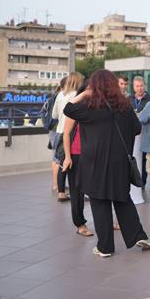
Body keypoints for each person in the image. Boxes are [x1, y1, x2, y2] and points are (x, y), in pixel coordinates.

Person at [64, 69, 150, 258]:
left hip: (94, 163)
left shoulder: (90, 105)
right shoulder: (125, 105)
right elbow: (137, 129)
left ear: (93, 86)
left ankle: (105, 247)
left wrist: (85, 94)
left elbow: (68, 109)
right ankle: (138, 235)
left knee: (100, 201)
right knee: (122, 198)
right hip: (119, 161)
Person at [61, 81, 93, 237]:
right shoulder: (77, 109)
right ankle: (80, 224)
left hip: (94, 156)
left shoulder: (98, 108)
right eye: (89, 90)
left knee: (98, 190)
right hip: (76, 155)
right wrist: (67, 157)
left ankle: (105, 220)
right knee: (77, 192)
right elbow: (66, 133)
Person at [52, 72, 84, 202]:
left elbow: (54, 115)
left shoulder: (60, 95)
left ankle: (60, 191)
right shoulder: (78, 96)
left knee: (62, 162)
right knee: (72, 162)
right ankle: (76, 190)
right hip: (72, 133)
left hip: (60, 132)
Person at [130, 76, 150, 188]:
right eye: (137, 86)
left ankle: (142, 182)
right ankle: (133, 180)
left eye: (141, 86)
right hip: (132, 134)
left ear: (145, 86)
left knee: (144, 160)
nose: (139, 88)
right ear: (133, 87)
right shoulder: (129, 99)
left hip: (146, 133)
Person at [47, 77, 65, 193]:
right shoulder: (61, 96)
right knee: (57, 158)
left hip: (53, 129)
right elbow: (55, 115)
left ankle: (55, 183)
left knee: (56, 157)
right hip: (57, 129)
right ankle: (56, 185)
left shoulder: (55, 95)